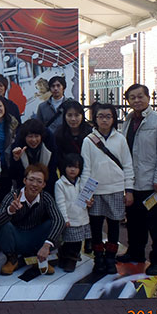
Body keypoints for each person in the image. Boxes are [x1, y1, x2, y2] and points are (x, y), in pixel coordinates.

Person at [119, 84, 157, 276]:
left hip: (154, 184)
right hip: (134, 183)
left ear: (148, 98)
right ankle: (135, 252)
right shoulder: (128, 121)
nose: (137, 100)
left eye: (140, 96)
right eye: (132, 97)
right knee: (135, 222)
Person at [81, 103, 134, 274]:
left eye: (108, 116)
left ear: (113, 118)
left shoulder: (120, 139)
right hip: (96, 191)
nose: (104, 120)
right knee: (96, 227)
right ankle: (98, 258)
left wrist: (129, 190)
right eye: (100, 116)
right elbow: (86, 169)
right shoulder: (88, 141)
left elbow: (128, 165)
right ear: (95, 119)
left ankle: (110, 258)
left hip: (116, 190)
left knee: (113, 227)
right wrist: (86, 195)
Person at [0, 163, 65, 276]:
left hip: (35, 236)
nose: (34, 184)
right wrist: (10, 210)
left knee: (52, 223)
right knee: (5, 225)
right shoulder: (12, 196)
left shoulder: (46, 197)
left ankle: (39, 259)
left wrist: (47, 245)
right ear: (24, 180)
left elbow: (59, 220)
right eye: (31, 180)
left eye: (39, 181)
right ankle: (11, 259)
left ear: (44, 184)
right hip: (16, 237)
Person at [54, 100, 93, 253]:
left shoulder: (90, 132)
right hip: (69, 175)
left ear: (82, 116)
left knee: (88, 206)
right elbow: (57, 157)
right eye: (69, 115)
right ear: (65, 117)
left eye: (77, 115)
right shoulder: (59, 134)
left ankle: (89, 239)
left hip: (88, 173)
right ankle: (71, 240)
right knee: (72, 206)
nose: (73, 119)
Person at [55, 153, 92, 272]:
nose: (72, 170)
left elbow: (86, 199)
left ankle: (72, 260)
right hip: (69, 219)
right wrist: (65, 218)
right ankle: (64, 256)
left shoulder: (82, 183)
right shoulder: (60, 184)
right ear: (64, 167)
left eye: (76, 167)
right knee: (68, 241)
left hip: (82, 218)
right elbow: (60, 203)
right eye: (70, 166)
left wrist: (89, 202)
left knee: (77, 243)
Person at [10, 118, 58, 196]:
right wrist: (16, 160)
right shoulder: (17, 147)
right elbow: (13, 175)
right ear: (24, 137)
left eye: (36, 136)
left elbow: (52, 170)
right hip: (23, 188)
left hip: (46, 186)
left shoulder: (50, 145)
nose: (34, 140)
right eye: (30, 136)